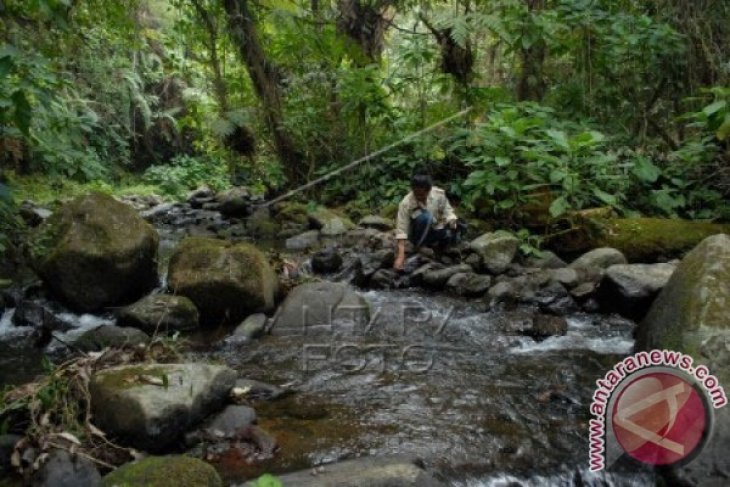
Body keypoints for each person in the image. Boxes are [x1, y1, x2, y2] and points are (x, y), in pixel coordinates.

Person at [393, 172, 462, 271]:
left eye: (422, 194)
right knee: (426, 217)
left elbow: (448, 212)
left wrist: (452, 221)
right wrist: (400, 256)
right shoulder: (405, 203)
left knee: (456, 226)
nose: (419, 197)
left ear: (429, 190)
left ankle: (440, 250)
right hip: (416, 234)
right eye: (416, 194)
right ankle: (419, 247)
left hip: (434, 229)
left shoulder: (439, 195)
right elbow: (401, 230)